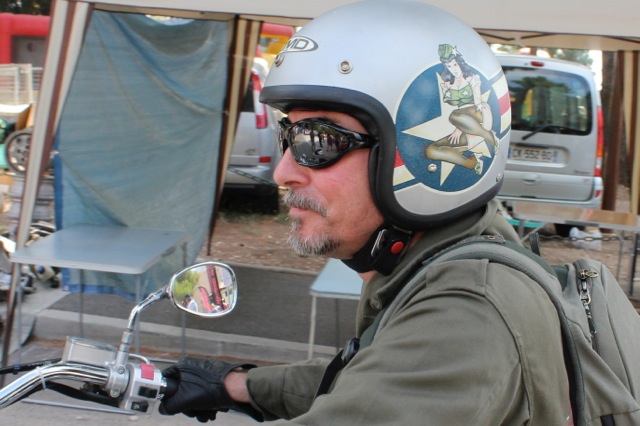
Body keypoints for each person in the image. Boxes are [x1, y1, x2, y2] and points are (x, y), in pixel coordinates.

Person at [159, 1, 571, 424]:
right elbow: (375, 382)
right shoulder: (433, 269)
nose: (283, 172)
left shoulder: (468, 314)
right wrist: (238, 385)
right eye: (289, 136)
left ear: (414, 153)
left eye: (316, 141)